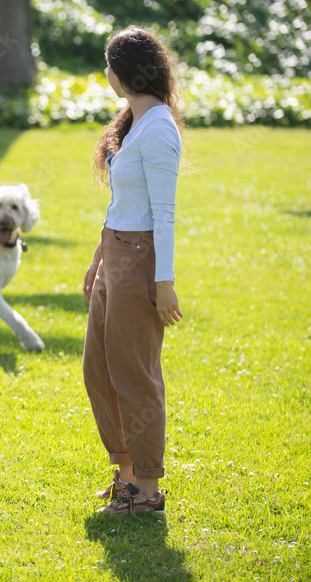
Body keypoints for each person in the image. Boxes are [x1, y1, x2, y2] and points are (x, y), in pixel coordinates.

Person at [82, 26, 185, 516]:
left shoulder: (160, 128)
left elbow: (163, 214)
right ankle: (125, 472)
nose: (106, 74)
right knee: (99, 369)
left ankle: (147, 489)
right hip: (115, 254)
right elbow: (122, 201)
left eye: (109, 65)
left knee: (135, 374)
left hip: (141, 259)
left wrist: (162, 283)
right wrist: (99, 258)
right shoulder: (133, 122)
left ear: (122, 72)